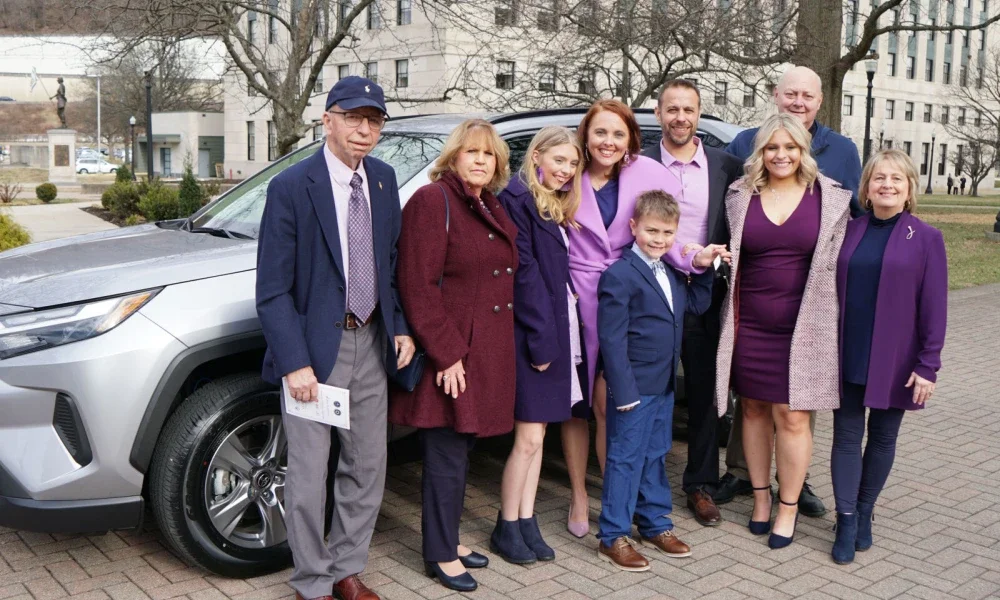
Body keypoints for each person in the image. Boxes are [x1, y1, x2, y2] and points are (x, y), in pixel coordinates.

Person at [256, 76, 414, 600]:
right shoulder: (292, 186)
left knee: (368, 464)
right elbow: (273, 290)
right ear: (328, 120)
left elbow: (389, 268)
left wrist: (402, 329)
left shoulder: (386, 181)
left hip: (371, 342)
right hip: (314, 353)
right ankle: (311, 582)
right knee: (308, 473)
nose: (364, 130)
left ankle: (348, 570)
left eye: (374, 121)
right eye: (353, 118)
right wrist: (293, 361)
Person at [563, 99, 719, 538]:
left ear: (632, 139)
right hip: (575, 297)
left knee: (610, 405)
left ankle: (619, 501)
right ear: (585, 135)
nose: (608, 142)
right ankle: (579, 494)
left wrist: (694, 259)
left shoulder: (648, 175)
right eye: (599, 133)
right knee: (575, 406)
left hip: (626, 295)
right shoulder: (564, 172)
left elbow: (668, 232)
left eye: (618, 134)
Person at [717, 65, 863, 517]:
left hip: (808, 322)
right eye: (773, 147)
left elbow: (857, 237)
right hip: (751, 323)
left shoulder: (835, 184)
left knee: (795, 415)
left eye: (808, 95)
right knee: (755, 410)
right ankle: (758, 496)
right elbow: (719, 232)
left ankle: (790, 502)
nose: (782, 153)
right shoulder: (740, 190)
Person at [388, 119, 518, 593]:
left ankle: (449, 539)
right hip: (453, 355)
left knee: (460, 451)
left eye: (490, 154)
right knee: (445, 452)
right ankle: (440, 553)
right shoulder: (432, 200)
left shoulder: (487, 203)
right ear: (454, 157)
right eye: (471, 152)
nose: (481, 160)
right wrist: (446, 356)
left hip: (483, 353)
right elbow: (416, 286)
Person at [830, 149, 947, 564]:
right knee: (845, 437)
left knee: (882, 437)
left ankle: (864, 512)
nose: (887, 185)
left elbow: (934, 307)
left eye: (897, 179)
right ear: (866, 187)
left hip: (896, 356)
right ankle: (844, 520)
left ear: (910, 188)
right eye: (879, 178)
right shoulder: (848, 230)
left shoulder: (927, 238)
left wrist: (927, 365)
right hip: (846, 349)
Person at [596, 191, 717, 571]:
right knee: (624, 460)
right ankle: (613, 535)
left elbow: (695, 306)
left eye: (667, 232)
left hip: (663, 384)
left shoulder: (671, 272)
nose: (659, 239)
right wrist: (623, 391)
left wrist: (706, 266)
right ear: (634, 227)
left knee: (655, 455)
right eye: (651, 230)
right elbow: (612, 339)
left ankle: (654, 523)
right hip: (633, 388)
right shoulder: (619, 275)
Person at [641, 79, 743, 527]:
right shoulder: (640, 164)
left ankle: (700, 485)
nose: (680, 117)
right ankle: (644, 481)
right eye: (672, 109)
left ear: (699, 113)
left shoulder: (727, 166)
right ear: (659, 113)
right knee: (652, 388)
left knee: (703, 392)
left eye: (689, 109)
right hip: (652, 285)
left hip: (705, 289)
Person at [492, 127, 585, 564]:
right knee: (527, 437)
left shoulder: (549, 204)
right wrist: (542, 342)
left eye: (572, 164)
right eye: (559, 160)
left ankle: (527, 519)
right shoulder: (518, 201)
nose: (566, 170)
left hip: (555, 327)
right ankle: (506, 525)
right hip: (534, 333)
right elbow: (524, 276)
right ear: (537, 157)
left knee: (540, 433)